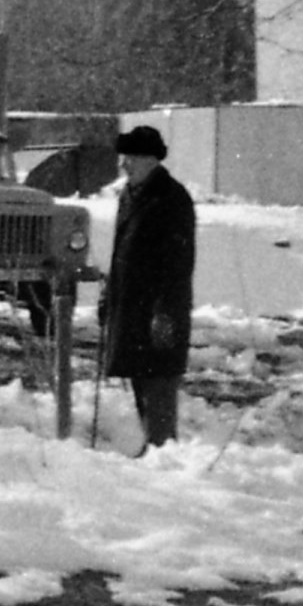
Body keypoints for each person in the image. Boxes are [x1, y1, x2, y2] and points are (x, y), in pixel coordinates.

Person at [100, 124, 196, 450]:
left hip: (158, 312)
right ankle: (152, 446)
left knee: (159, 382)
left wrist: (164, 312)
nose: (124, 164)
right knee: (140, 379)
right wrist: (107, 297)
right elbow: (121, 254)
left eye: (131, 158)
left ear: (151, 160)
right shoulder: (131, 195)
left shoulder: (172, 198)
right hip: (130, 308)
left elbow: (178, 264)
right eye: (123, 158)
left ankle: (162, 450)